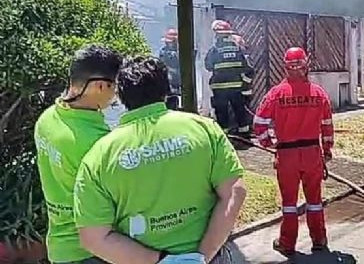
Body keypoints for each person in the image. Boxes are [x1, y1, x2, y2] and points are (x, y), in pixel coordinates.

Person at [74, 56, 247, 264]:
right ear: (166, 89)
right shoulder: (204, 129)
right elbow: (234, 192)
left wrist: (161, 261)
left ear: (120, 96)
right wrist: (201, 257)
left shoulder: (98, 156)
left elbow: (94, 238)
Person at [34, 45, 123, 264]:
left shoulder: (47, 119)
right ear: (101, 86)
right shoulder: (96, 141)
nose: (116, 96)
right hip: (94, 253)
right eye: (116, 87)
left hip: (61, 248)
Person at [252, 47, 334, 258]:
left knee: (289, 203)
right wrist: (326, 150)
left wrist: (268, 143)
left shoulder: (276, 94)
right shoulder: (318, 93)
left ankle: (287, 243)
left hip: (287, 155)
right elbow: (327, 125)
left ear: (285, 66)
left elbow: (259, 123)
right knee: (314, 200)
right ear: (306, 65)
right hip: (312, 153)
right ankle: (319, 239)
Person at [204, 20, 254, 139]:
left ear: (217, 34)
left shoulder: (214, 50)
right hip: (237, 87)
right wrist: (245, 83)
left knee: (222, 112)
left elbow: (208, 66)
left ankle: (224, 135)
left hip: (219, 88)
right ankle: (244, 133)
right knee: (240, 110)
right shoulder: (238, 49)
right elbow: (249, 68)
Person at [159, 28, 181, 110]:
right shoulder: (163, 51)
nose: (168, 43)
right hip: (168, 83)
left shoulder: (182, 50)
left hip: (180, 84)